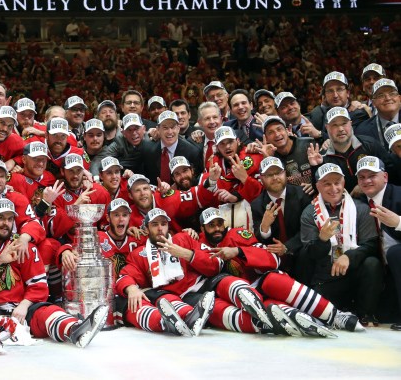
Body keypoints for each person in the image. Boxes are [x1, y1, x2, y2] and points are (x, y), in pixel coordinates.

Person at [0, 198, 108, 348]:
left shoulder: (22, 247)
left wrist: (24, 305)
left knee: (50, 311)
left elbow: (39, 286)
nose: (6, 223)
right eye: (1, 218)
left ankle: (75, 330)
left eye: (10, 219)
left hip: (22, 308)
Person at [198, 207, 358, 336]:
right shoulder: (197, 243)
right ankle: (304, 320)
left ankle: (334, 315)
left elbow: (273, 259)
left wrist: (238, 251)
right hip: (238, 299)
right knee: (269, 309)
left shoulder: (237, 235)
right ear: (202, 228)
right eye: (211, 225)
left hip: (261, 284)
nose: (217, 228)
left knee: (273, 281)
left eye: (220, 223)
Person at [300, 163, 383, 323]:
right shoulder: (309, 213)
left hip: (355, 272)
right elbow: (309, 254)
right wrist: (322, 239)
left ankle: (366, 314)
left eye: (337, 183)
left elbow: (371, 245)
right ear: (317, 186)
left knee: (372, 263)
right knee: (320, 314)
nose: (333, 188)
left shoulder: (361, 208)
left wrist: (349, 257)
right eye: (327, 184)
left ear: (343, 183)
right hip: (327, 275)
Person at [114, 208, 218, 336]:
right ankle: (181, 319)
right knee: (146, 297)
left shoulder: (183, 239)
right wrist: (131, 288)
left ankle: (248, 308)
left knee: (225, 281)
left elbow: (214, 264)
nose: (160, 228)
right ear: (146, 229)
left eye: (163, 224)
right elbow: (125, 275)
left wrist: (186, 254)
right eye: (154, 224)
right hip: (165, 297)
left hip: (197, 289)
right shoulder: (139, 253)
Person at [355, 156, 401, 328]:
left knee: (396, 252)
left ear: (385, 177)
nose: (367, 181)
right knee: (385, 316)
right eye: (362, 177)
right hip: (385, 271)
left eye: (372, 175)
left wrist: (398, 222)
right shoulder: (357, 205)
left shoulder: (399, 194)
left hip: (396, 258)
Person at [251, 157, 312, 281]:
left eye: (278, 173)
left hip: (301, 254)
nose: (275, 178)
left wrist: (287, 247)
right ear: (261, 178)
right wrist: (264, 227)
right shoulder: (257, 204)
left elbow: (308, 231)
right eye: (269, 175)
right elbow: (259, 239)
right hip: (276, 262)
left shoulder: (302, 195)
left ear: (285, 173)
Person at [308, 107, 389, 193]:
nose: (340, 129)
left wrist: (364, 187)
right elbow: (320, 192)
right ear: (327, 128)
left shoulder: (370, 144)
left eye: (344, 123)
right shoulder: (322, 157)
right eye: (335, 125)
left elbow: (389, 172)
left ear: (350, 124)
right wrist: (315, 167)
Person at [141, 110, 203, 184]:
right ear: (158, 129)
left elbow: (196, 181)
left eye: (173, 127)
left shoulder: (192, 152)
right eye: (165, 128)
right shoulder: (147, 150)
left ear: (178, 128)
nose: (170, 132)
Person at [257, 116, 315, 193]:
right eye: (271, 132)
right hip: (293, 199)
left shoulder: (309, 144)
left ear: (287, 131)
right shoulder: (269, 156)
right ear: (266, 139)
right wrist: (268, 159)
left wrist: (315, 183)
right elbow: (274, 189)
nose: (277, 134)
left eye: (279, 129)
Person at [355, 78, 400, 148]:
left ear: (399, 98)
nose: (388, 98)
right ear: (373, 103)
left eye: (392, 94)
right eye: (381, 95)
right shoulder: (363, 131)